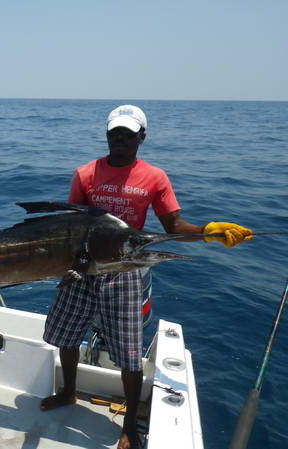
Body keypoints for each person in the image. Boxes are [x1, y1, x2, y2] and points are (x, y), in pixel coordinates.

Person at [39, 105, 252, 449]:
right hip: (83, 266)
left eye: (127, 134)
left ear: (142, 137)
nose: (119, 140)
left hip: (125, 270)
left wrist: (208, 232)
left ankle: (129, 424)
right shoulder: (85, 174)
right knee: (66, 335)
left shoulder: (155, 178)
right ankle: (67, 392)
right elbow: (69, 225)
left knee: (127, 351)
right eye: (114, 134)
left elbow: (173, 227)